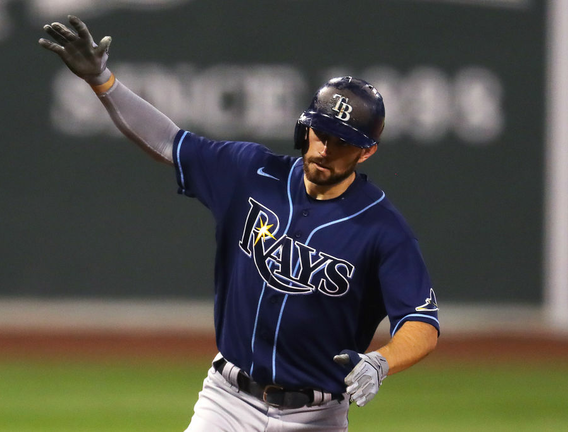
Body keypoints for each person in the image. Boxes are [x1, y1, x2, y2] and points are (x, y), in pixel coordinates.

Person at [39, 15, 440, 432]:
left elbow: (422, 323)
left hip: (317, 416)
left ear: (367, 152)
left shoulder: (382, 228)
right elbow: (168, 141)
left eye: (343, 143)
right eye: (321, 133)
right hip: (227, 401)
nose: (325, 149)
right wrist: (103, 81)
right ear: (305, 129)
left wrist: (381, 361)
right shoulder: (252, 173)